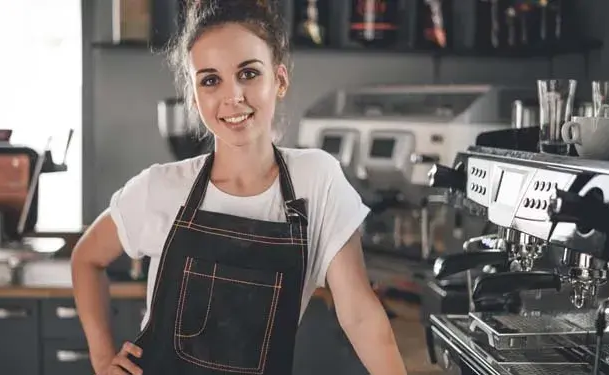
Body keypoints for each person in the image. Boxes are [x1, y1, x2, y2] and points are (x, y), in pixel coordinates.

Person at [70, 0, 407, 374]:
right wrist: (103, 361)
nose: (233, 97)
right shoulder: (161, 187)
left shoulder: (318, 179)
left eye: (248, 74)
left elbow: (360, 316)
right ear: (195, 98)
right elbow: (86, 258)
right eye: (211, 80)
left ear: (279, 80)